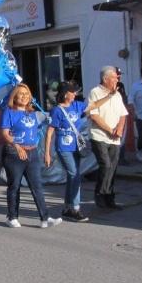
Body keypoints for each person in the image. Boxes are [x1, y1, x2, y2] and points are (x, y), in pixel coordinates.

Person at [45, 81, 115, 222]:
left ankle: (67, 208)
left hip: (76, 147)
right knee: (74, 174)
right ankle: (75, 209)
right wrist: (47, 153)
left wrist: (109, 96)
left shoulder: (77, 106)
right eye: (73, 92)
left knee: (73, 177)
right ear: (66, 94)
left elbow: (94, 105)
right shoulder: (57, 111)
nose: (76, 94)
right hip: (64, 148)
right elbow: (50, 132)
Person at [1, 84, 62, 229]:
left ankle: (45, 218)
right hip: (14, 153)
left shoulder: (32, 113)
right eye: (20, 94)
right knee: (14, 186)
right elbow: (5, 133)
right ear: (14, 96)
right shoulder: (9, 112)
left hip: (32, 152)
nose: (24, 96)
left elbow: (39, 129)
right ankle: (12, 217)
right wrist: (17, 146)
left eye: (26, 94)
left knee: (37, 186)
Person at [89, 66, 128, 209]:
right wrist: (110, 129)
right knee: (105, 165)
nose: (117, 79)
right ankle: (100, 193)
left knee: (113, 168)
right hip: (99, 136)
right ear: (105, 79)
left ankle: (110, 197)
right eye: (114, 77)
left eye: (117, 77)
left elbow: (123, 114)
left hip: (115, 138)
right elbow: (94, 115)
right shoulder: (95, 92)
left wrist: (119, 128)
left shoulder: (117, 94)